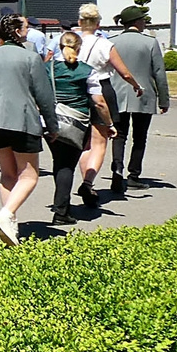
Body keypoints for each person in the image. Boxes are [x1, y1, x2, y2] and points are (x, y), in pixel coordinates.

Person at [0, 13, 58, 247]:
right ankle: (6, 214)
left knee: (7, 173)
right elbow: (44, 95)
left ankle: (10, 223)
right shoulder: (30, 58)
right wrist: (52, 124)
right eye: (26, 27)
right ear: (17, 32)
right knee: (29, 175)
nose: (28, 31)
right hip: (24, 120)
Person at [74, 3, 141, 205]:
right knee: (99, 142)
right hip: (101, 88)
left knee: (84, 142)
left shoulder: (71, 41)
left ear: (79, 22)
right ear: (98, 24)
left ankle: (85, 180)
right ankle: (88, 182)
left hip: (76, 88)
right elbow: (124, 72)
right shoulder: (105, 44)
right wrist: (136, 85)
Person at [46, 31, 112, 225]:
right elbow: (99, 102)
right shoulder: (86, 70)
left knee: (59, 163)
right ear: (79, 48)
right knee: (67, 165)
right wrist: (109, 124)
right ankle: (61, 212)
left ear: (59, 47)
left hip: (50, 122)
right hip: (76, 122)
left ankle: (61, 206)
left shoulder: (46, 68)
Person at [108, 4, 170, 192]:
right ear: (136, 22)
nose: (145, 23)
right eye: (143, 20)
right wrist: (164, 99)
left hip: (117, 94)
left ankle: (117, 169)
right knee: (139, 137)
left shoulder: (112, 41)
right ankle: (133, 175)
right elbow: (159, 72)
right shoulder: (150, 43)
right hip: (143, 94)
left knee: (119, 135)